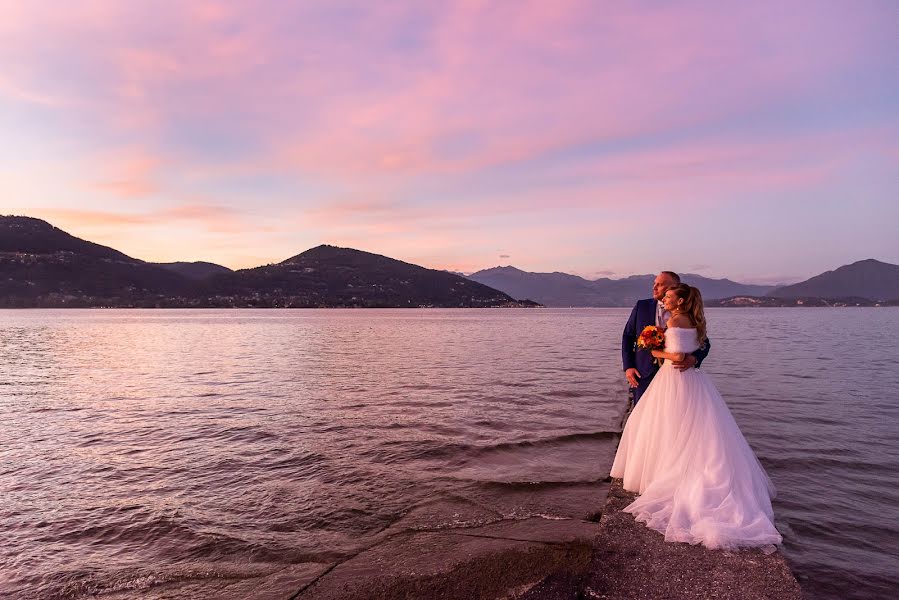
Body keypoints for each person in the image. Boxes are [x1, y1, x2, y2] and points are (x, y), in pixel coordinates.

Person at [610, 284, 782, 549]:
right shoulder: (693, 320)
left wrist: (654, 350)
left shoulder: (676, 319)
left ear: (679, 300)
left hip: (674, 378)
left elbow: (677, 355)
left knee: (669, 426)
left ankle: (667, 474)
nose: (663, 297)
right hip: (693, 381)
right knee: (691, 430)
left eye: (668, 295)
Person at [622, 271, 709, 405]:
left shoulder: (688, 316)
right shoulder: (642, 306)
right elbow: (628, 337)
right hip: (643, 374)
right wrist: (628, 367)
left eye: (660, 284)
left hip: (676, 375)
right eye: (654, 283)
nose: (654, 287)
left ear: (674, 287)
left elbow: (704, 342)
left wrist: (694, 358)